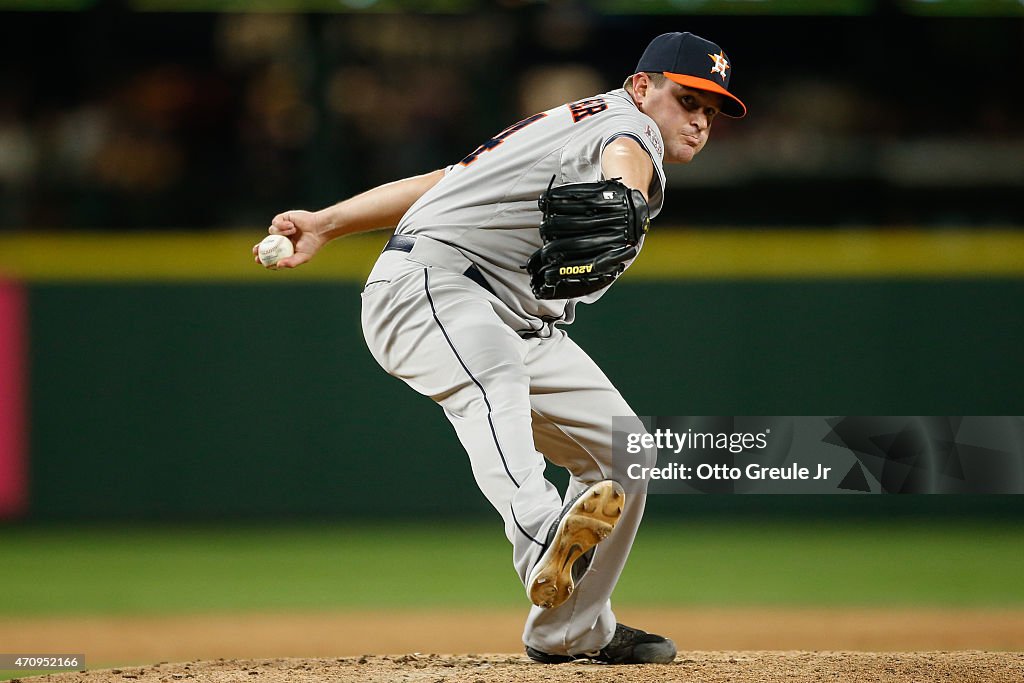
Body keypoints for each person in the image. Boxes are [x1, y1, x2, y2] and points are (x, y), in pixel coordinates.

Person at [253, 31, 746, 664]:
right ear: (643, 85)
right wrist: (624, 195)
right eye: (689, 100)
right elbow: (625, 154)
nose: (700, 121)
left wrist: (326, 222)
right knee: (493, 378)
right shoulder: (627, 125)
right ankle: (542, 529)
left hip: (513, 314)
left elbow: (449, 181)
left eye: (712, 110)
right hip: (436, 288)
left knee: (624, 451)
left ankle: (569, 629)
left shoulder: (567, 124)